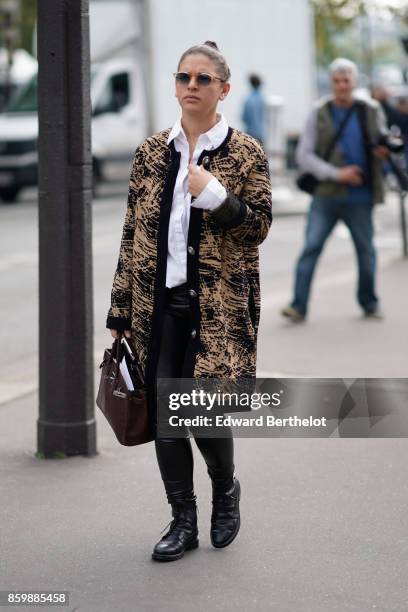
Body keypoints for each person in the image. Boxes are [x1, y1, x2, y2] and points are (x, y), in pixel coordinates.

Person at [106, 41, 272, 561]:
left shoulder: (245, 152)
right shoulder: (151, 153)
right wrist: (120, 311)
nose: (192, 87)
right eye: (184, 78)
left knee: (202, 414)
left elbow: (260, 225)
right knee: (164, 415)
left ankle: (226, 491)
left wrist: (217, 195)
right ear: (175, 86)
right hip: (159, 306)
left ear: (224, 89)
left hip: (218, 308)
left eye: (204, 79)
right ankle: (182, 520)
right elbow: (133, 233)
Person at [281, 58, 389, 323]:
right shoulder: (319, 112)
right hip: (325, 196)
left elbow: (383, 140)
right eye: (337, 80)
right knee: (311, 247)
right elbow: (304, 156)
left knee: (366, 251)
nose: (342, 85)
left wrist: (383, 153)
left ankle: (369, 302)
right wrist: (336, 173)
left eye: (347, 80)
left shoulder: (370, 110)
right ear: (331, 82)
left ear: (354, 82)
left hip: (360, 197)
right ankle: (298, 305)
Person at [241, 73, 266, 145]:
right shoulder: (263, 99)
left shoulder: (249, 100)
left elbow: (243, 117)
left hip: (250, 134)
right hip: (262, 134)